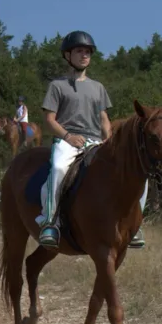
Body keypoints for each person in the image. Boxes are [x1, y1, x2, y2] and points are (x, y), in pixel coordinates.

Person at [36, 31, 114, 248]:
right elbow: (49, 120)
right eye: (79, 51)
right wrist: (68, 137)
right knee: (60, 168)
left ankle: (132, 225)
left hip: (95, 141)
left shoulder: (98, 87)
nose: (84, 55)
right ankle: (50, 222)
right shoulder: (57, 86)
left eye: (87, 51)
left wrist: (108, 139)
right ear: (68, 55)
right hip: (67, 141)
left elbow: (104, 118)